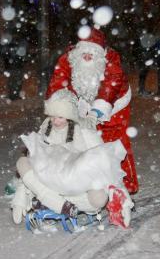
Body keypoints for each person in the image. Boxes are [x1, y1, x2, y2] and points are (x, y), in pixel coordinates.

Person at [11, 89, 134, 228]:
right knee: (22, 162)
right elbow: (33, 158)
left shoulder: (83, 131)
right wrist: (20, 195)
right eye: (52, 116)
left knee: (99, 197)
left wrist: (121, 195)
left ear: (69, 116)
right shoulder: (46, 128)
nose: (55, 121)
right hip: (48, 179)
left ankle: (53, 201)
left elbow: (104, 162)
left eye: (60, 117)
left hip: (74, 183)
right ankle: (59, 204)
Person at [46, 27, 139, 195]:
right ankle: (85, 181)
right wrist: (60, 107)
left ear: (100, 53)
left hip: (115, 103)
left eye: (92, 54)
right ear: (77, 51)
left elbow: (112, 84)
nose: (87, 57)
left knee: (114, 142)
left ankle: (125, 183)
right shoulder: (68, 60)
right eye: (84, 53)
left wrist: (98, 112)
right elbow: (58, 82)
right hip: (82, 102)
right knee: (79, 139)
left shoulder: (111, 61)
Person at [0, 31, 28, 100]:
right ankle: (13, 95)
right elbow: (4, 53)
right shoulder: (10, 44)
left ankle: (14, 95)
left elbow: (24, 54)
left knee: (16, 81)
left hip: (16, 65)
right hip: (13, 65)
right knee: (13, 81)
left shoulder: (21, 43)